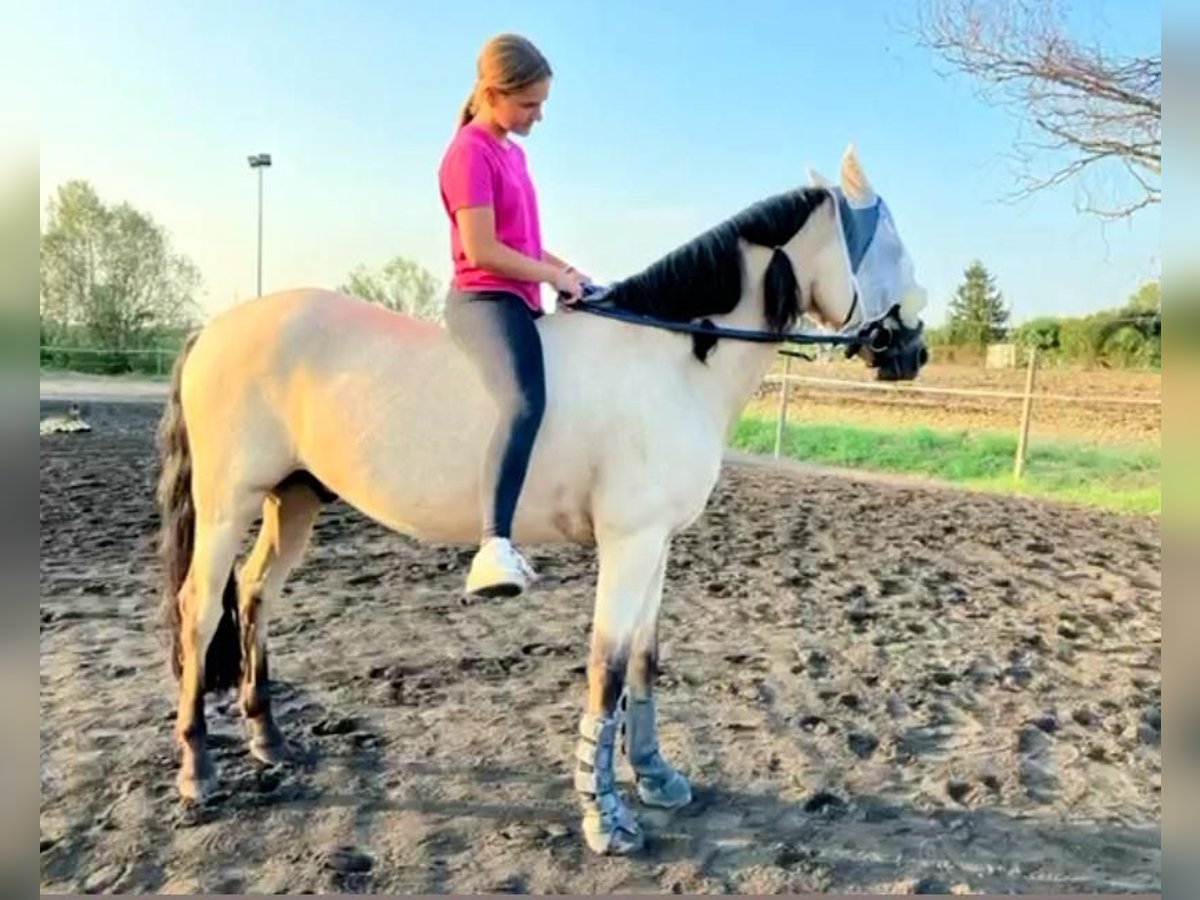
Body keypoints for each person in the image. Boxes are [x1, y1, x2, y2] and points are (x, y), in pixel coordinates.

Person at [438, 33, 587, 599]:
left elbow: (524, 242)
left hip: (521, 294)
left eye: (542, 103)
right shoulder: (468, 153)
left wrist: (573, 273)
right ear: (493, 93)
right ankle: (493, 545)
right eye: (529, 104)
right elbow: (483, 250)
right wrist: (549, 277)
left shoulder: (512, 153)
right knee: (524, 400)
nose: (538, 115)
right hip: (485, 298)